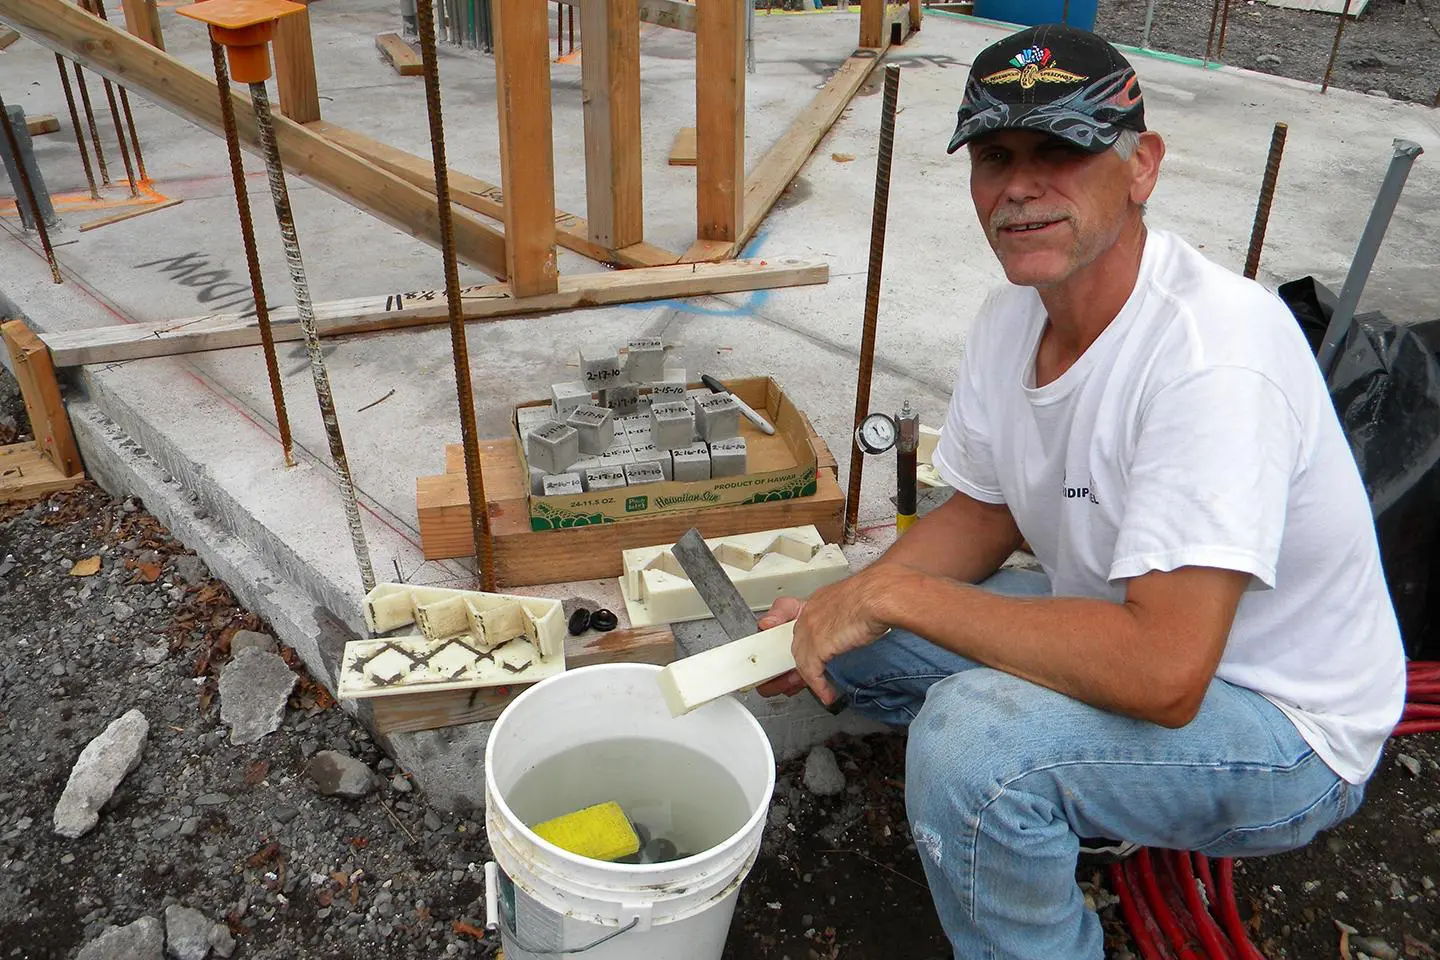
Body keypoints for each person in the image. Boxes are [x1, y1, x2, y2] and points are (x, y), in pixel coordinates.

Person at [756, 22, 1407, 959]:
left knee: (971, 749)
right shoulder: (1010, 318)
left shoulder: (1214, 355)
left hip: (1280, 724)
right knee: (858, 643)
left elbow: (1164, 674)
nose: (1019, 186)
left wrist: (889, 592)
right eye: (996, 155)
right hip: (1136, 625)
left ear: (1141, 165)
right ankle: (1072, 792)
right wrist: (843, 605)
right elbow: (985, 513)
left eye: (1061, 149)